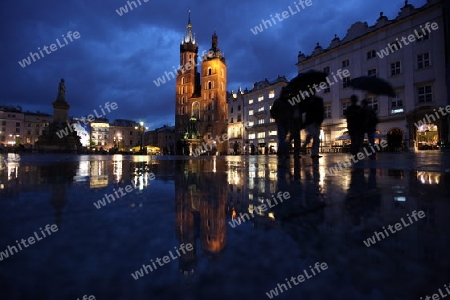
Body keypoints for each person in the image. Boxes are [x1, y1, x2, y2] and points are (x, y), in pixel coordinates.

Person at [270, 87, 292, 158]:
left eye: (288, 93)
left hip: (287, 122)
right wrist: (277, 117)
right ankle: (284, 153)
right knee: (282, 137)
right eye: (286, 93)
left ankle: (280, 152)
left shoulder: (289, 102)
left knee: (284, 137)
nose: (287, 95)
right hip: (281, 121)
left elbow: (291, 111)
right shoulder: (278, 101)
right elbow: (272, 111)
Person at [301, 94, 324, 159]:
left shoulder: (318, 100)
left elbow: (321, 111)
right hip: (310, 121)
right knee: (312, 134)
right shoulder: (306, 100)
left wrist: (320, 120)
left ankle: (315, 153)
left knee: (316, 138)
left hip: (316, 121)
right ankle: (305, 145)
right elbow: (303, 110)